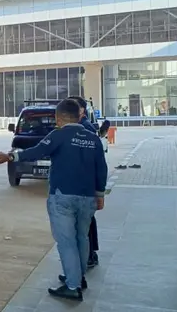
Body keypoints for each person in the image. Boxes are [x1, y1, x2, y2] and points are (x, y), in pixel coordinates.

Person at [0, 99, 107, 301]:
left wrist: (9, 156)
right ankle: (78, 277)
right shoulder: (93, 138)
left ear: (58, 118)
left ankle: (72, 286)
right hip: (87, 198)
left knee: (66, 241)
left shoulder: (58, 135)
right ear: (79, 116)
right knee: (81, 238)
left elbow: (35, 152)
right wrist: (100, 194)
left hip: (63, 197)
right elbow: (101, 168)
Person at [66, 96, 101, 269]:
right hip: (84, 187)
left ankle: (89, 256)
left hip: (82, 187)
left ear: (80, 110)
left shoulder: (84, 128)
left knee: (84, 226)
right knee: (86, 223)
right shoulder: (82, 126)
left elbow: (94, 162)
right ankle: (89, 255)